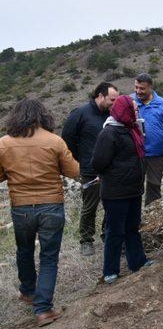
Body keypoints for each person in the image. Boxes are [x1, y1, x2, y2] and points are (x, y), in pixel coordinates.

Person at [0, 99, 79, 326]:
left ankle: (27, 291)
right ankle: (43, 309)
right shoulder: (54, 141)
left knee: (23, 250)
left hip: (21, 207)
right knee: (48, 258)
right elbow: (73, 171)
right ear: (42, 116)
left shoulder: (4, 143)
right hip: (51, 205)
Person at [91, 95, 154, 284]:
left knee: (133, 228)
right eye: (133, 109)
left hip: (133, 189)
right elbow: (98, 163)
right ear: (123, 110)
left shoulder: (132, 129)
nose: (136, 111)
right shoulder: (109, 133)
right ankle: (110, 270)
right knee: (115, 231)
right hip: (116, 192)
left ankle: (138, 262)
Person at [62, 82, 119, 256]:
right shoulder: (80, 114)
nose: (114, 103)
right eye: (112, 99)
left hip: (111, 169)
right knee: (90, 206)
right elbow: (66, 141)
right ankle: (86, 240)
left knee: (112, 204)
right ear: (100, 96)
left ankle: (107, 234)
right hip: (89, 170)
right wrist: (79, 162)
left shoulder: (112, 114)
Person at [131, 73, 163, 206]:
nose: (138, 91)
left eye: (142, 88)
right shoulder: (130, 102)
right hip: (135, 154)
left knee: (154, 185)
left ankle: (152, 218)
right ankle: (134, 218)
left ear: (150, 87)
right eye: (136, 87)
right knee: (133, 186)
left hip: (157, 154)